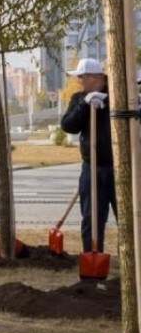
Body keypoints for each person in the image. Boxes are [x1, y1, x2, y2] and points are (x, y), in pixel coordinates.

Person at [59, 58, 116, 253]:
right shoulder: (78, 98)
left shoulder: (117, 93)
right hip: (91, 168)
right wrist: (85, 105)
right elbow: (68, 126)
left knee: (129, 218)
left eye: (81, 77)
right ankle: (92, 262)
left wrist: (107, 104)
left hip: (119, 168)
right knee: (91, 218)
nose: (79, 82)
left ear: (95, 77)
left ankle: (133, 263)